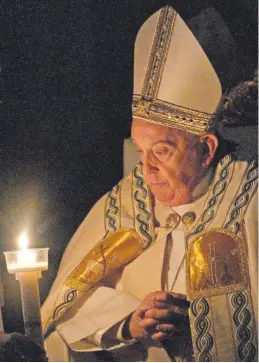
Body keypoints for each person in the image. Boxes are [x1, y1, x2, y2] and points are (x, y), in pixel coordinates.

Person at [41, 5, 258, 362]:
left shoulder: (248, 202)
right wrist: (129, 323)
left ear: (206, 150)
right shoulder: (123, 204)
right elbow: (65, 310)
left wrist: (204, 327)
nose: (147, 168)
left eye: (162, 150)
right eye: (141, 150)